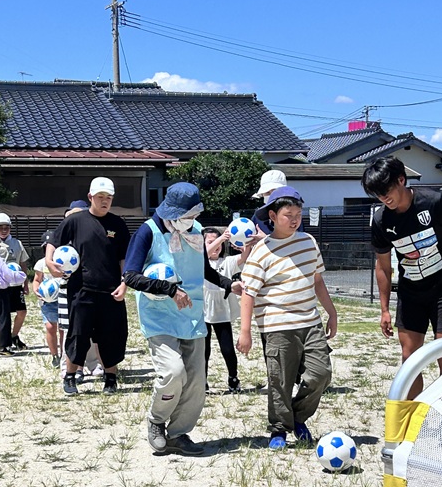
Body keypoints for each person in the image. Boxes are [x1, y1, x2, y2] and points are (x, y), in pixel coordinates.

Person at [123, 182, 242, 456]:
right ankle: (156, 421)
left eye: (194, 215)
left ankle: (178, 433)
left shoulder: (197, 232)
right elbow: (130, 276)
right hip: (160, 317)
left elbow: (202, 270)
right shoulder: (147, 232)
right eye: (187, 216)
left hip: (192, 316)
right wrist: (169, 289)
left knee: (196, 382)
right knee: (173, 373)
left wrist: (227, 283)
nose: (192, 221)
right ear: (172, 212)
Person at [361, 156, 442, 398]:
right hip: (411, 292)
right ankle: (414, 418)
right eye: (377, 194)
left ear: (401, 180)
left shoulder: (438, 202)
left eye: (387, 191)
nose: (384, 198)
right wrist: (384, 309)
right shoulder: (381, 220)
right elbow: (383, 267)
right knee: (410, 358)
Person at [237, 187, 337, 450]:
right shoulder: (262, 251)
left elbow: (317, 281)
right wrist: (244, 331)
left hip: (310, 322)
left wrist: (332, 312)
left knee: (320, 374)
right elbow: (248, 293)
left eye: (298, 213)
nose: (295, 219)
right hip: (276, 326)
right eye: (288, 214)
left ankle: (297, 417)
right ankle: (279, 429)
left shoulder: (308, 242)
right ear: (272, 215)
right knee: (279, 381)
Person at [46, 177, 130, 395]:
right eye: (100, 197)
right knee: (78, 334)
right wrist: (49, 262)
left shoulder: (118, 224)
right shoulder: (76, 221)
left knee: (111, 335)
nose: (105, 201)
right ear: (90, 197)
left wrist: (124, 283)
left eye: (109, 198)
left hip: (111, 291)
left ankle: (110, 378)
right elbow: (53, 242)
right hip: (81, 290)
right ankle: (70, 376)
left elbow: (124, 258)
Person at [55, 201, 104, 382]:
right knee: (69, 329)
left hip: (89, 288)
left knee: (90, 328)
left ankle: (92, 363)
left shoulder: (91, 235)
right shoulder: (62, 236)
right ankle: (69, 366)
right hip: (67, 288)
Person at [203, 226, 254, 393]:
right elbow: (203, 253)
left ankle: (233, 378)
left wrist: (246, 244)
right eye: (210, 242)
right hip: (203, 310)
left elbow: (245, 256)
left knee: (227, 348)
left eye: (219, 243)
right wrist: (221, 238)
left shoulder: (227, 262)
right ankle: (202, 381)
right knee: (204, 350)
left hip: (222, 310)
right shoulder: (198, 262)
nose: (216, 246)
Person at [0, 213, 30, 350]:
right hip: (1, 285)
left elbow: (23, 263)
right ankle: (4, 338)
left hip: (16, 285)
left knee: (22, 312)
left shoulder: (17, 243)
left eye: (6, 227)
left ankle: (14, 335)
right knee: (3, 314)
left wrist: (25, 283)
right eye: (0, 227)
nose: (3, 230)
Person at [33, 232, 61, 367]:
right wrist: (36, 289)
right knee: (50, 327)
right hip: (47, 301)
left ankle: (64, 354)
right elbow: (37, 280)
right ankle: (54, 355)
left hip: (62, 298)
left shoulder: (63, 261)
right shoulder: (41, 263)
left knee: (63, 329)